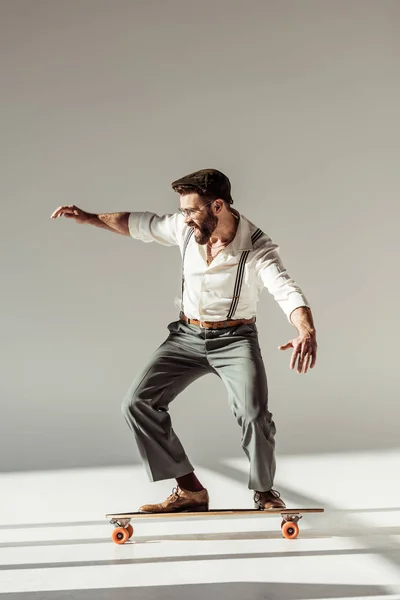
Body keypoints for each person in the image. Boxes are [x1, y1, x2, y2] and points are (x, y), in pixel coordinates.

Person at [51, 168, 317, 513]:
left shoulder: (256, 246)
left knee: (254, 415)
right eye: (183, 212)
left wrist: (305, 329)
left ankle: (265, 493)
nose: (185, 218)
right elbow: (135, 223)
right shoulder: (185, 229)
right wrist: (89, 218)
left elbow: (285, 289)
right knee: (137, 403)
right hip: (186, 336)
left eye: (192, 210)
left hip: (235, 339)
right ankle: (190, 490)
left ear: (217, 206)